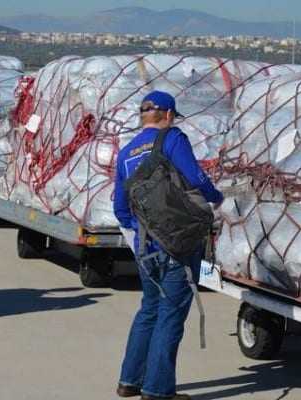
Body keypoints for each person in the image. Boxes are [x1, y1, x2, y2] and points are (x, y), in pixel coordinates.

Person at [113, 91, 223, 400]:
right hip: (178, 244)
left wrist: (141, 228)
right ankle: (157, 390)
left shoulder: (125, 153)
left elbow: (120, 208)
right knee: (170, 315)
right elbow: (196, 177)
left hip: (145, 247)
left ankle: (129, 382)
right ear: (170, 115)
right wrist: (216, 199)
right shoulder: (173, 139)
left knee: (149, 310)